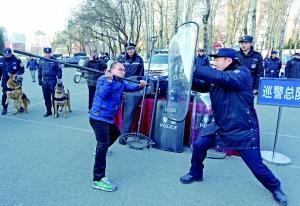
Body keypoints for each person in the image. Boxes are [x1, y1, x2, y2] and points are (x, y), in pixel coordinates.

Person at [181, 48, 287, 206]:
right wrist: (184, 77)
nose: (214, 62)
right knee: (198, 145)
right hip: (221, 127)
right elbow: (203, 85)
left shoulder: (241, 74)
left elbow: (224, 78)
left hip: (243, 131)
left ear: (228, 61)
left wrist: (195, 67)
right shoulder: (219, 78)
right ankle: (195, 173)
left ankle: (276, 187)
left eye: (217, 59)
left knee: (257, 167)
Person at [89, 62, 147, 192]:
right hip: (98, 118)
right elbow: (103, 94)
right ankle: (98, 179)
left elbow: (130, 88)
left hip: (108, 118)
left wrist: (140, 86)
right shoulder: (102, 79)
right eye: (120, 69)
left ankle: (100, 149)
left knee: (115, 133)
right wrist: (109, 81)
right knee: (103, 145)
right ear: (112, 69)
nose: (123, 72)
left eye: (124, 70)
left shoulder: (121, 82)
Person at [118, 42, 145, 144]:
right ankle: (111, 134)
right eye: (128, 49)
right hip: (122, 87)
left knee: (129, 112)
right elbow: (118, 73)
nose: (130, 51)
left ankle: (123, 138)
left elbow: (141, 76)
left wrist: (138, 87)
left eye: (132, 49)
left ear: (134, 49)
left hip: (133, 89)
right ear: (126, 50)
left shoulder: (139, 60)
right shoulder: (121, 60)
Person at [38, 47, 62, 117]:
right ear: (44, 53)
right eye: (46, 53)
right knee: (46, 97)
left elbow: (59, 70)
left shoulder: (55, 60)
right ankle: (48, 111)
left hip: (52, 80)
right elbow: (39, 70)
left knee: (54, 97)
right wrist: (39, 79)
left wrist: (59, 79)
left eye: (49, 53)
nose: (47, 54)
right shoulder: (41, 60)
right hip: (44, 81)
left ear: (51, 53)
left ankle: (56, 111)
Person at [0, 48, 25, 115]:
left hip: (15, 81)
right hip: (5, 81)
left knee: (19, 94)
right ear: (4, 54)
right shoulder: (1, 60)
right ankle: (4, 108)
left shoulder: (17, 59)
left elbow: (22, 69)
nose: (7, 55)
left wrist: (16, 74)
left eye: (9, 54)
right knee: (5, 95)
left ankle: (20, 107)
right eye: (6, 54)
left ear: (11, 53)